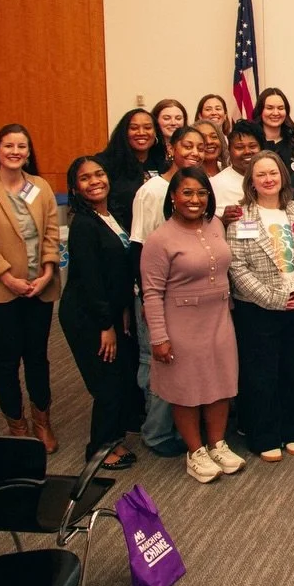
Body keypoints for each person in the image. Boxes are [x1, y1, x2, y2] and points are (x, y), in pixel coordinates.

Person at [140, 167, 244, 483]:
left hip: (219, 318)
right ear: (173, 197)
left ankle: (217, 444)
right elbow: (151, 293)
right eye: (187, 192)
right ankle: (195, 452)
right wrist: (159, 337)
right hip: (181, 324)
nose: (195, 199)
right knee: (186, 388)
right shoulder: (159, 239)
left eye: (201, 193)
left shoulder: (215, 225)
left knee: (220, 383)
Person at [0, 124, 62, 451]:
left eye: (22, 146)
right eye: (8, 146)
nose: (15, 152)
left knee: (37, 358)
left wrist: (47, 272)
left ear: (29, 152)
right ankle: (17, 426)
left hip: (39, 288)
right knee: (7, 360)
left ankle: (42, 422)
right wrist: (8, 278)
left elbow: (51, 233)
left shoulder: (40, 187)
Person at [226, 151, 294, 462]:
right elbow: (237, 267)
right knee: (261, 375)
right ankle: (264, 436)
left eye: (273, 173)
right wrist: (273, 299)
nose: (268, 179)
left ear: (283, 176)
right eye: (261, 175)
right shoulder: (242, 216)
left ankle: (293, 430)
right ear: (251, 182)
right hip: (257, 310)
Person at [129, 125, 206, 458]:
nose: (194, 152)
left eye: (200, 147)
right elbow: (138, 247)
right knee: (158, 362)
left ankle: (180, 427)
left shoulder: (200, 186)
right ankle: (157, 432)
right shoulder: (153, 191)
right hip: (156, 294)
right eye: (187, 145)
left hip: (188, 297)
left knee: (183, 363)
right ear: (171, 148)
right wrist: (147, 299)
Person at [58, 156, 140, 470]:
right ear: (75, 188)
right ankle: (99, 449)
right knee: (106, 382)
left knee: (119, 376)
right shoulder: (83, 225)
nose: (95, 182)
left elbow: (118, 272)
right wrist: (106, 325)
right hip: (87, 316)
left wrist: (122, 310)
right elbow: (91, 280)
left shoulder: (111, 216)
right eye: (85, 178)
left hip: (111, 311)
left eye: (99, 174)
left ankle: (113, 439)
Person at [97, 108, 163, 232]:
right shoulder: (106, 163)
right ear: (124, 132)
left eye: (148, 127)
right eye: (134, 128)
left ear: (156, 132)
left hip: (157, 234)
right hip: (118, 233)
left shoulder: (163, 164)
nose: (141, 132)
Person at [254, 87, 294, 187]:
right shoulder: (253, 145)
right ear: (260, 111)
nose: (276, 113)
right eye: (270, 108)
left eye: (280, 108)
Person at [211, 119, 263, 213]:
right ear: (229, 150)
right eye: (239, 147)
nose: (247, 152)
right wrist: (223, 219)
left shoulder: (272, 179)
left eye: (252, 146)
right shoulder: (216, 184)